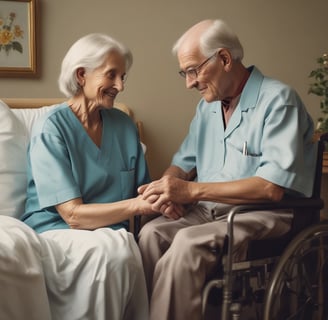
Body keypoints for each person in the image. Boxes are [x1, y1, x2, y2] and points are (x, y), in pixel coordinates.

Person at [137, 19, 317, 320]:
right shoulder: (207, 107)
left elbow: (271, 188)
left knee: (186, 243)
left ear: (223, 58)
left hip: (265, 213)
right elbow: (183, 164)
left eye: (193, 70)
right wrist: (167, 189)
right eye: (185, 73)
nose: (189, 82)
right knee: (150, 234)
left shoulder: (278, 100)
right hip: (210, 211)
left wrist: (191, 191)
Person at [18, 33, 155, 320]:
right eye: (112, 75)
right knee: (114, 250)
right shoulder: (50, 129)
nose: (120, 85)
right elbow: (73, 216)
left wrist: (165, 200)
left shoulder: (124, 125)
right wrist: (137, 206)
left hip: (111, 231)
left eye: (123, 76)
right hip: (56, 231)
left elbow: (145, 192)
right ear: (81, 75)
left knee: (121, 246)